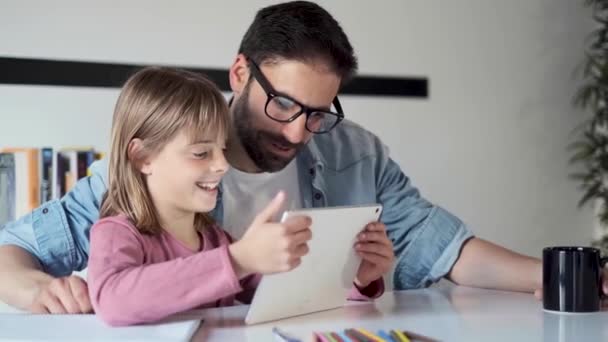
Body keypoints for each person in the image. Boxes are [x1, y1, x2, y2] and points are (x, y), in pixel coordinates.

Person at [0, 1, 578, 315]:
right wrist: (33, 290)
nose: (302, 132)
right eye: (283, 105)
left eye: (320, 112)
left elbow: (440, 244)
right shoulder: (152, 173)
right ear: (240, 74)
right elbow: (18, 250)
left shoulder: (355, 152)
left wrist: (563, 277)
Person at [84, 66, 388, 326]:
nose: (221, 164)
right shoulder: (118, 233)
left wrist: (355, 278)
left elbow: (285, 296)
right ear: (142, 158)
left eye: (222, 149)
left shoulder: (216, 240)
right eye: (201, 152)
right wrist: (238, 258)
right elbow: (112, 300)